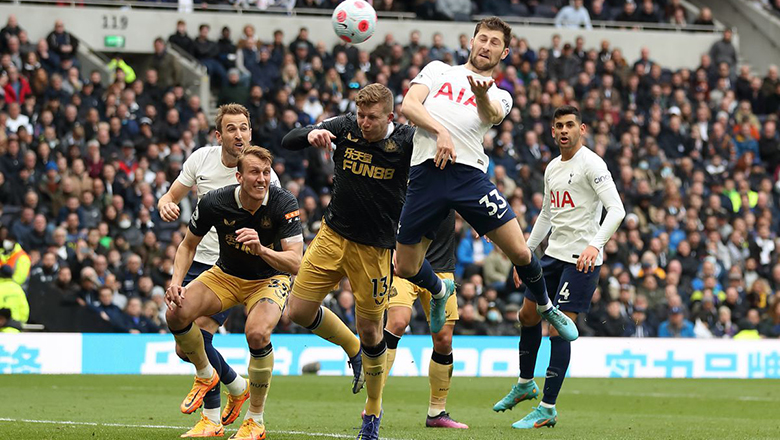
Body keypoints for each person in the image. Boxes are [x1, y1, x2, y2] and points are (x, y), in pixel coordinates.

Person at [394, 17, 576, 350]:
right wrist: (441, 132)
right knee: (405, 266)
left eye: (495, 42)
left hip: (468, 177)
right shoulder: (438, 70)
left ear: (504, 52)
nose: (486, 45)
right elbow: (408, 105)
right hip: (426, 173)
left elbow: (491, 114)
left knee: (521, 251)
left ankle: (548, 307)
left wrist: (480, 96)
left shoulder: (501, 94)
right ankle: (439, 290)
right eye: (483, 38)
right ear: (472, 41)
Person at [281, 83, 415, 440]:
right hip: (331, 235)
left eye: (372, 117)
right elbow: (288, 139)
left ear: (390, 116)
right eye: (361, 115)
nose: (365, 123)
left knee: (373, 331)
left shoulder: (407, 141)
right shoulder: (344, 127)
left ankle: (372, 413)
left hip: (375, 249)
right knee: (297, 310)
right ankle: (352, 348)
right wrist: (313, 133)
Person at [492, 106, 625, 429]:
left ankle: (548, 407)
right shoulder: (552, 167)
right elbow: (548, 215)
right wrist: (524, 252)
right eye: (558, 126)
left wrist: (595, 245)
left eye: (569, 125)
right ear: (552, 132)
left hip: (581, 259)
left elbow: (617, 210)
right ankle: (525, 384)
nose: (564, 131)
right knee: (526, 316)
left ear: (582, 129)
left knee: (559, 328)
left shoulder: (593, 164)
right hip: (552, 256)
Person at [164, 146, 303, 440]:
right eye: (254, 172)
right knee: (175, 313)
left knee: (257, 334)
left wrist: (262, 249)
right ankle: (205, 373)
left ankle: (255, 420)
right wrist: (176, 280)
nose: (262, 179)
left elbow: (295, 263)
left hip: (269, 278)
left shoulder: (283, 202)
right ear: (239, 176)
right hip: (226, 275)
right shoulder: (215, 201)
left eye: (266, 172)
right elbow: (188, 245)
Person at [157, 103, 280, 436]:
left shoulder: (262, 173)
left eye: (243, 128)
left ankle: (212, 418)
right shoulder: (201, 159)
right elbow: (170, 194)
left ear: (250, 133)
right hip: (201, 260)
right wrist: (166, 203)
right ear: (219, 135)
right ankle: (234, 386)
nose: (238, 134)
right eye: (231, 128)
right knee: (187, 347)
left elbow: (277, 221)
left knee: (199, 337)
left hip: (234, 266)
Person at [383, 211, 468, 429]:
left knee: (444, 340)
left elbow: (471, 196)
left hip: (441, 267)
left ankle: (436, 413)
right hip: (405, 263)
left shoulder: (454, 177)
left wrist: (484, 224)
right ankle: (373, 405)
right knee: (398, 322)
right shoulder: (403, 178)